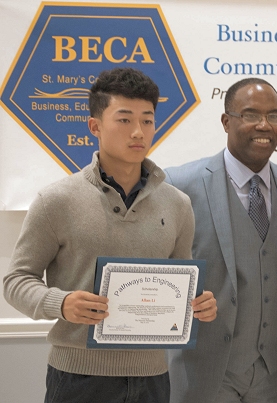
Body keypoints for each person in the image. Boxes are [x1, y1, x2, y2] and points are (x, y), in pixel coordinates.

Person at [3, 67, 217, 403]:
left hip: (153, 378)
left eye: (147, 120)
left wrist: (198, 303)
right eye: (124, 119)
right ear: (95, 126)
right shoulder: (56, 199)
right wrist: (61, 303)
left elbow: (180, 280)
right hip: (78, 378)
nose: (138, 132)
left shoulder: (178, 204)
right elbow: (16, 281)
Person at [165, 77, 277, 403]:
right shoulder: (179, 186)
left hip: (276, 374)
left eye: (273, 115)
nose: (264, 124)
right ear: (226, 121)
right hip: (204, 372)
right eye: (250, 114)